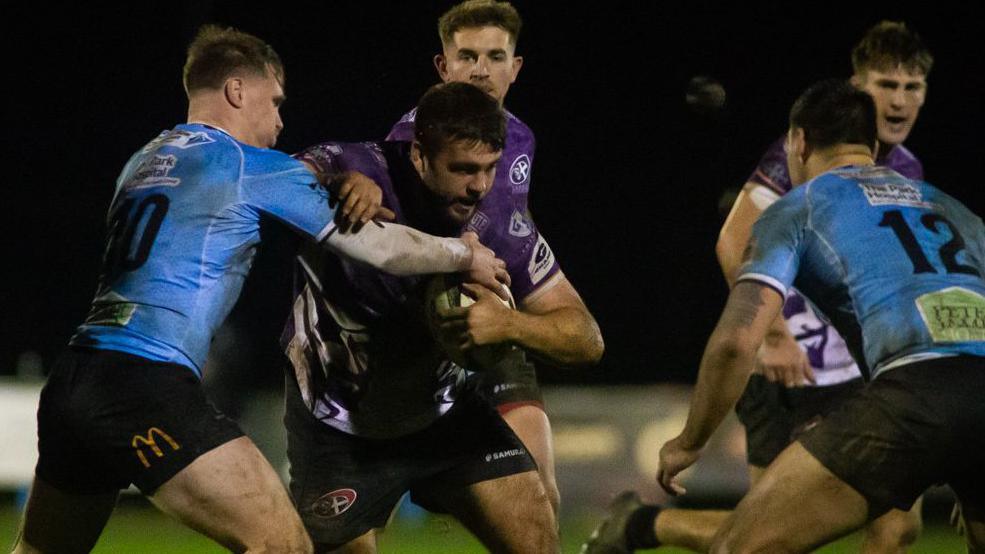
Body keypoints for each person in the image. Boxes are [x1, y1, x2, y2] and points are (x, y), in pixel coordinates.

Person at [12, 26, 509, 554]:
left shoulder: (143, 161)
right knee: (282, 545)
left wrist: (338, 183)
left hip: (74, 379)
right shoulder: (246, 163)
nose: (279, 122)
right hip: (144, 382)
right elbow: (379, 248)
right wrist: (465, 254)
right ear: (236, 91)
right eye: (275, 102)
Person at [583, 21, 932, 553]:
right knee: (770, 535)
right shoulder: (804, 154)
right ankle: (645, 525)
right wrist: (774, 335)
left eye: (913, 87)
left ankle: (641, 525)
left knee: (896, 526)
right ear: (857, 88)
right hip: (787, 368)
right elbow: (734, 239)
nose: (900, 101)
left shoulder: (907, 169)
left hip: (859, 371)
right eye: (887, 85)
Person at [656, 78, 985, 552]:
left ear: (799, 142)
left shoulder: (799, 207)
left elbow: (734, 342)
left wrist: (689, 442)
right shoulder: (955, 209)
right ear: (874, 147)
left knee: (737, 546)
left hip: (914, 395)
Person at [282, 81, 600, 553]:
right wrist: (336, 182)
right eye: (463, 169)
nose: (479, 186)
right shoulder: (364, 169)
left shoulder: (500, 224)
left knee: (538, 536)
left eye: (490, 168)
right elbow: (285, 179)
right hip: (339, 427)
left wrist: (509, 325)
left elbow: (587, 339)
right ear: (419, 154)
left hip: (446, 418)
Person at [386, 0, 582, 516]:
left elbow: (512, 216)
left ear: (515, 68)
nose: (480, 70)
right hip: (428, 336)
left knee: (543, 497)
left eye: (495, 56)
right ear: (443, 66)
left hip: (495, 323)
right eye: (467, 56)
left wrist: (525, 269)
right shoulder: (410, 141)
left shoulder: (521, 137)